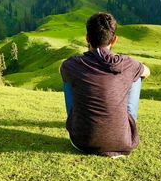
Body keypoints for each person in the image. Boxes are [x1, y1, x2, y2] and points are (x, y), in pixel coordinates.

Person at [60, 12, 150, 158]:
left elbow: (60, 69)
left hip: (81, 142)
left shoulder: (72, 64)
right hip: (124, 143)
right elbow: (147, 72)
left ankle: (79, 121)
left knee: (67, 76)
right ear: (114, 40)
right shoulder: (127, 64)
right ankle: (125, 123)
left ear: (87, 38)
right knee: (137, 76)